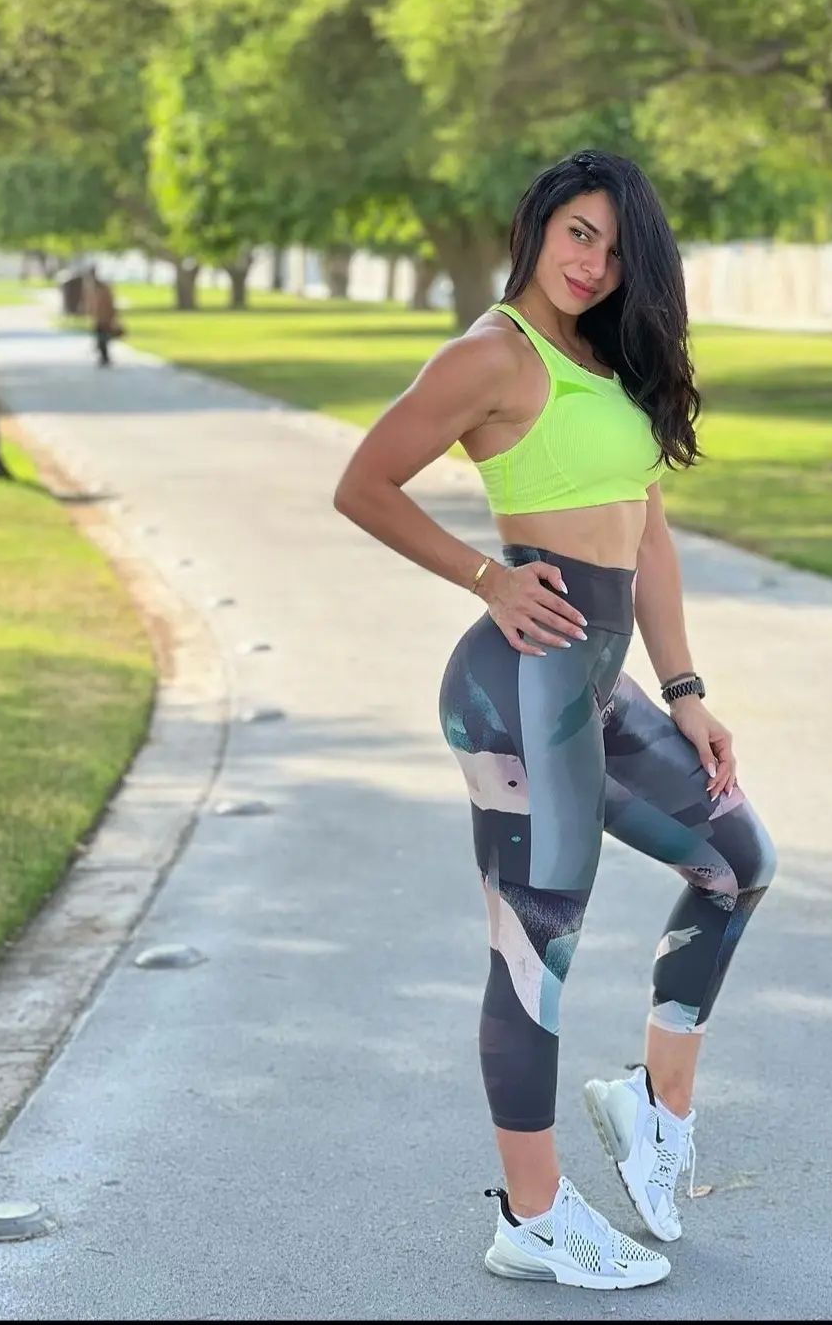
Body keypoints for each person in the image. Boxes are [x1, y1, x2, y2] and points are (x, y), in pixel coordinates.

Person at [333, 149, 777, 1291]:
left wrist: (685, 691)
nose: (592, 264)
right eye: (579, 233)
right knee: (537, 950)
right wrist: (487, 577)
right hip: (520, 689)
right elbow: (364, 483)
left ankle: (654, 1107)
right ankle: (531, 1218)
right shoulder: (492, 355)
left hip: (601, 688)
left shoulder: (606, 359)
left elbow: (649, 532)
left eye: (616, 249)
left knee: (737, 861)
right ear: (536, 225)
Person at [82, 265, 121, 367]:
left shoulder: (102, 287)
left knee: (103, 337)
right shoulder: (91, 287)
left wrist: (113, 315)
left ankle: (104, 357)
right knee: (100, 337)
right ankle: (103, 356)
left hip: (105, 317)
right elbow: (90, 302)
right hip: (98, 317)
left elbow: (109, 302)